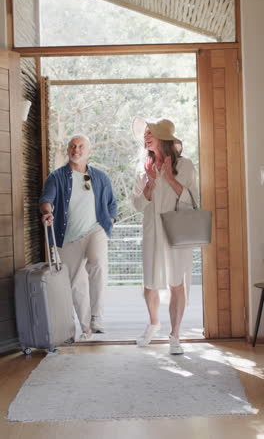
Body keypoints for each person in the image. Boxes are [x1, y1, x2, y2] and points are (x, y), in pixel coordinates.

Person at [39, 134, 117, 341]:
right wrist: (47, 211)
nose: (76, 149)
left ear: (89, 151)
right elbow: (46, 199)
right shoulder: (56, 177)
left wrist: (111, 220)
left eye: (81, 146)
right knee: (75, 282)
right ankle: (85, 327)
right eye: (73, 146)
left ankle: (96, 317)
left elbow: (112, 203)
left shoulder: (100, 177)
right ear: (68, 150)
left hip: (95, 230)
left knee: (98, 264)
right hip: (67, 236)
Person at [131, 117, 198, 354]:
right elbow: (138, 204)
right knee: (150, 283)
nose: (146, 136)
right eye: (145, 133)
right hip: (151, 231)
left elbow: (192, 201)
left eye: (152, 132)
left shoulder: (186, 165)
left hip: (177, 231)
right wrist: (149, 182)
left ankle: (175, 335)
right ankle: (153, 323)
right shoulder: (142, 167)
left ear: (164, 139)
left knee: (176, 283)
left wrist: (169, 178)